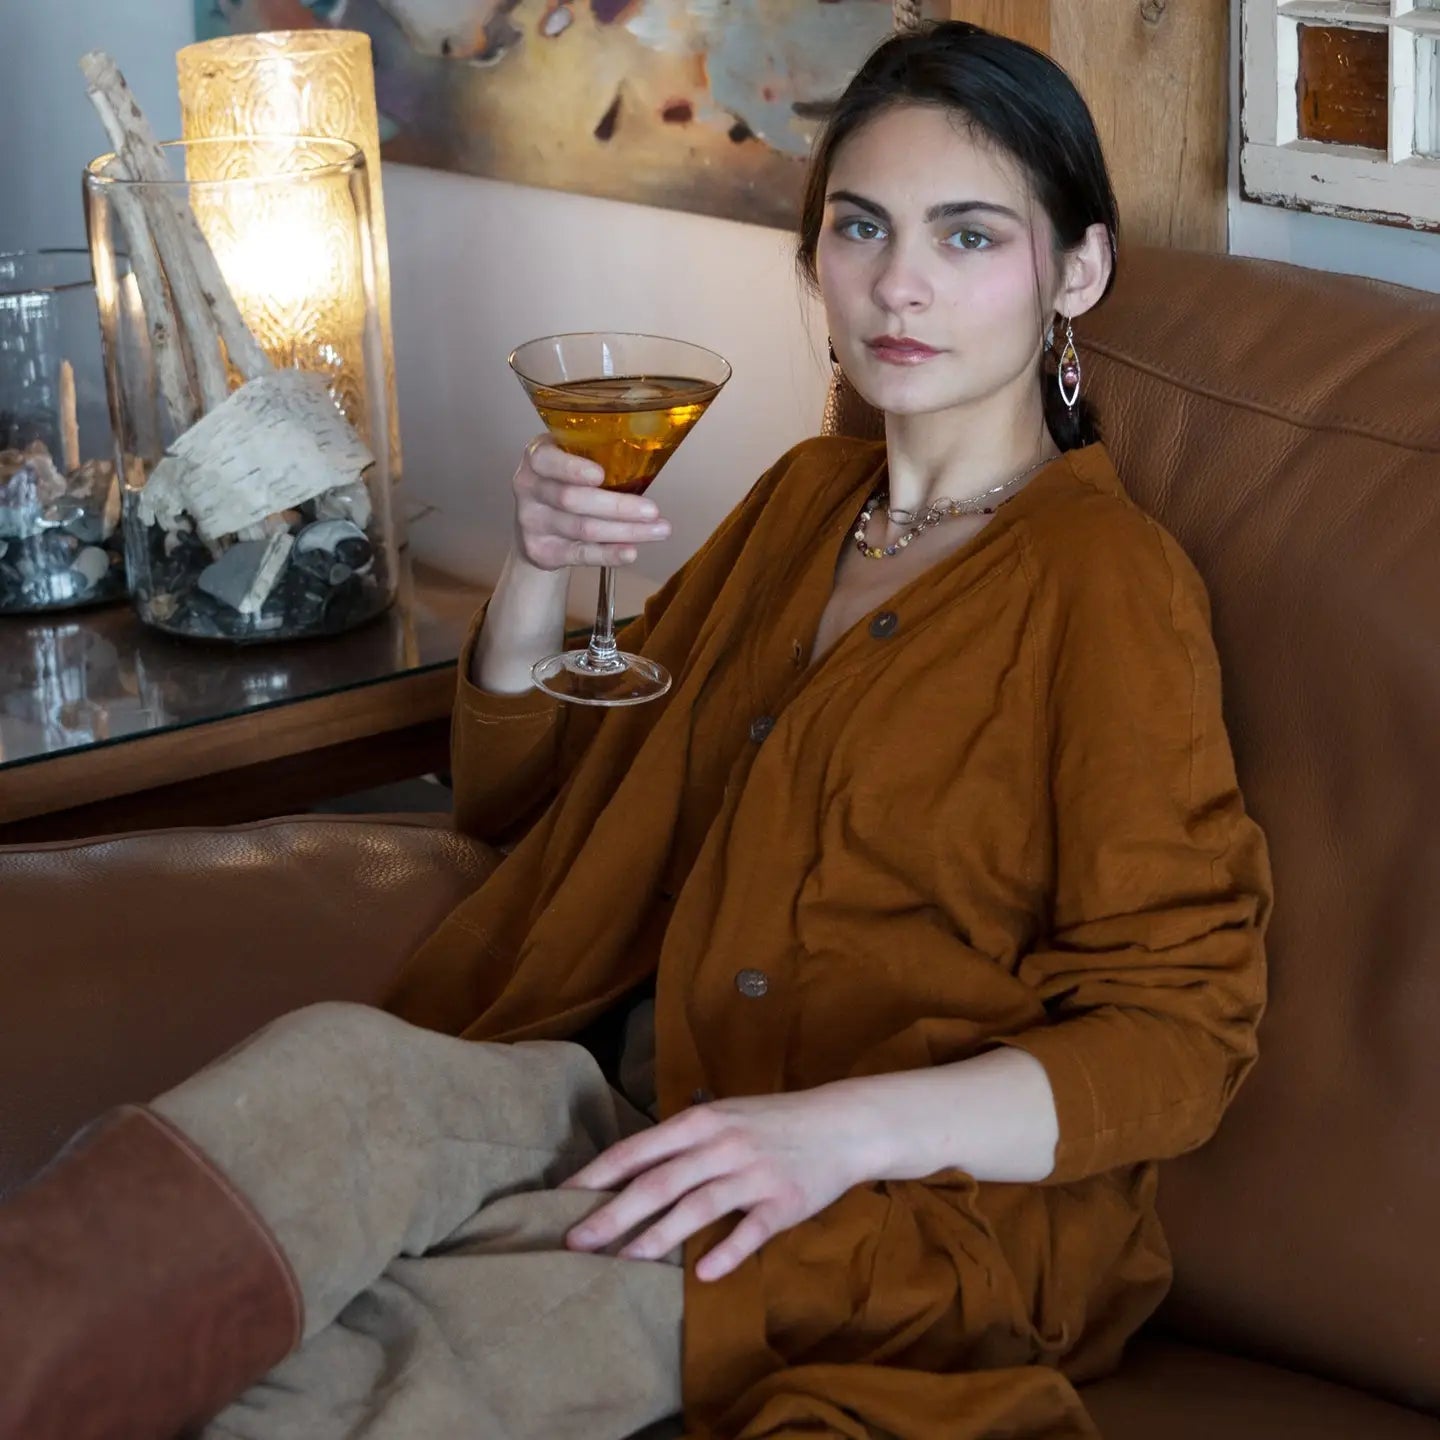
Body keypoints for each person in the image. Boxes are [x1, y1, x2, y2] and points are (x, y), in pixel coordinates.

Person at [0, 21, 1271, 1440]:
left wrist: (824, 1138)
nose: (899, 284)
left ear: (1075, 271)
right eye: (861, 228)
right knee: (338, 1077)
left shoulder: (1105, 583)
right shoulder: (806, 500)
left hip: (905, 1210)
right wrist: (542, 572)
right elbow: (531, 798)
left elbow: (1182, 1035)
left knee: (392, 1346)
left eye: (969, 237)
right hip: (647, 1099)